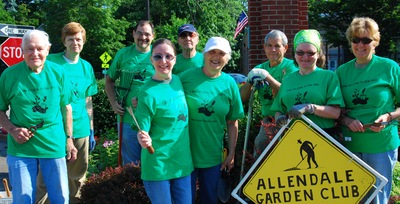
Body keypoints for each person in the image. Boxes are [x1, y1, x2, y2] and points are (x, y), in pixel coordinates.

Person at [0, 30, 77, 204]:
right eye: (30, 49)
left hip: (53, 144)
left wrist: (69, 139)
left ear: (48, 50)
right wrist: (12, 130)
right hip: (21, 148)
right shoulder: (9, 76)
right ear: (22, 51)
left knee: (61, 198)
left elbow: (66, 108)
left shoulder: (59, 73)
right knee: (22, 199)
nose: (35, 54)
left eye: (40, 49)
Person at [336, 17, 400, 204]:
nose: (360, 44)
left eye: (366, 40)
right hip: (351, 144)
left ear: (375, 42)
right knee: (354, 198)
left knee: (377, 198)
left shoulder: (389, 67)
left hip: (381, 144)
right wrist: (347, 121)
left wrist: (388, 116)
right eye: (356, 40)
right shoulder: (341, 72)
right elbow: (336, 108)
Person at [35, 22, 98, 204]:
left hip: (81, 129)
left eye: (78, 39)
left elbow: (88, 101)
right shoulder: (51, 62)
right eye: (70, 39)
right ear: (64, 41)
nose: (75, 43)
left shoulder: (87, 67)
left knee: (77, 177)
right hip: (54, 129)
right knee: (46, 177)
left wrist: (91, 129)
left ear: (83, 41)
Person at [179, 36, 245, 203]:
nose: (216, 56)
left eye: (221, 53)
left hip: (213, 157)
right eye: (212, 52)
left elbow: (232, 122)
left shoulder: (230, 84)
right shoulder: (185, 78)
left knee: (210, 200)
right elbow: (164, 96)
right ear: (204, 54)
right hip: (184, 155)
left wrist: (231, 153)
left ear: (227, 58)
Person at [135, 38, 193, 204]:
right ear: (151, 59)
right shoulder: (146, 93)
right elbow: (142, 130)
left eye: (169, 56)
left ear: (175, 59)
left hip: (182, 164)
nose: (164, 61)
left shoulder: (177, 81)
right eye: (158, 56)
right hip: (158, 166)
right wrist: (143, 138)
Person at [271, 29, 344, 138]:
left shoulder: (328, 77)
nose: (305, 57)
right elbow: (278, 109)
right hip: (293, 137)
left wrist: (311, 108)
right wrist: (279, 118)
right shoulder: (287, 80)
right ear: (294, 54)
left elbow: (336, 113)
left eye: (310, 53)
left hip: (324, 137)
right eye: (300, 52)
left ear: (318, 54)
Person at [240, 30, 298, 158]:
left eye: (277, 46)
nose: (273, 49)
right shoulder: (260, 68)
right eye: (269, 45)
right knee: (260, 150)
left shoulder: (291, 67)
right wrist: (249, 81)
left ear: (285, 48)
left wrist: (268, 78)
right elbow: (243, 98)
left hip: (288, 118)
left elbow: (287, 95)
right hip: (268, 121)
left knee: (290, 155)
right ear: (264, 48)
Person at [105, 20, 155, 165]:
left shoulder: (158, 54)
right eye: (139, 33)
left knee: (152, 161)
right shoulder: (123, 54)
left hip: (153, 119)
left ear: (153, 36)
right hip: (127, 118)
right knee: (131, 164)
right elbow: (109, 80)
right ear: (133, 34)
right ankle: (133, 188)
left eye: (147, 34)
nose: (143, 37)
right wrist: (114, 103)